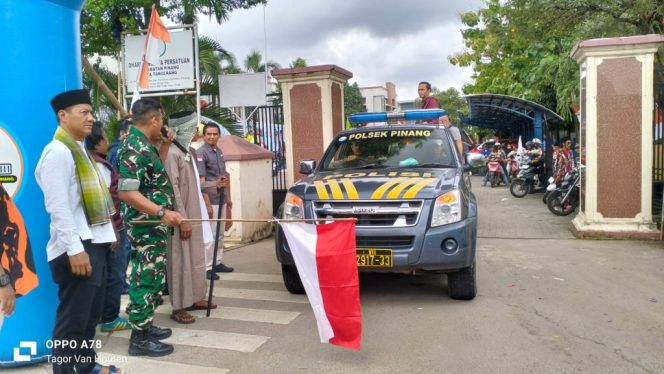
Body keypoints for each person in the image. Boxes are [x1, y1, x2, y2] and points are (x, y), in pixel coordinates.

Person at [35, 89, 122, 374]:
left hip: (91, 244)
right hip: (76, 249)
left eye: (91, 112)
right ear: (63, 116)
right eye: (84, 112)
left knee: (89, 317)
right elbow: (58, 207)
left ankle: (84, 368)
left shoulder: (79, 150)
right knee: (73, 320)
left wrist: (108, 235)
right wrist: (75, 249)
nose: (91, 118)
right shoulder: (57, 152)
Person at [117, 98, 183, 357]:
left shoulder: (145, 144)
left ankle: (145, 324)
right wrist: (162, 211)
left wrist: (165, 144)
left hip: (152, 225)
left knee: (152, 277)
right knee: (145, 278)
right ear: (154, 119)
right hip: (144, 224)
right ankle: (140, 339)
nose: (163, 125)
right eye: (162, 119)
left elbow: (156, 174)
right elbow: (128, 193)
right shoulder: (133, 146)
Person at [163, 112, 216, 324]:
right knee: (180, 260)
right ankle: (179, 307)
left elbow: (195, 184)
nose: (197, 131)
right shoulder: (171, 153)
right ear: (183, 128)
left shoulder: (189, 153)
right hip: (181, 216)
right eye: (193, 127)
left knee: (195, 258)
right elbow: (172, 189)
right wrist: (181, 219)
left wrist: (214, 186)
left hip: (195, 214)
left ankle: (195, 298)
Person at [85, 121, 131, 333]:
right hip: (111, 228)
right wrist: (114, 231)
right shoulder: (100, 166)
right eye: (103, 137)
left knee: (105, 274)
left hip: (99, 229)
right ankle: (110, 317)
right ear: (95, 143)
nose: (107, 141)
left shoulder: (89, 162)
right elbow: (105, 202)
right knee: (115, 274)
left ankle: (101, 314)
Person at [197, 123, 234, 280]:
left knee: (219, 233)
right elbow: (201, 181)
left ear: (219, 136)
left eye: (215, 134)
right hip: (210, 199)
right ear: (204, 135)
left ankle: (217, 261)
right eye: (209, 134)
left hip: (221, 198)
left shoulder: (218, 152)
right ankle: (207, 267)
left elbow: (224, 176)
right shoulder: (201, 153)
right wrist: (206, 204)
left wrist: (228, 199)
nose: (212, 136)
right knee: (210, 235)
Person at [107, 117, 132, 295]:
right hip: (122, 207)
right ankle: (121, 284)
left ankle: (121, 282)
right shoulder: (118, 151)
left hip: (121, 206)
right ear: (123, 133)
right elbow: (121, 184)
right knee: (124, 248)